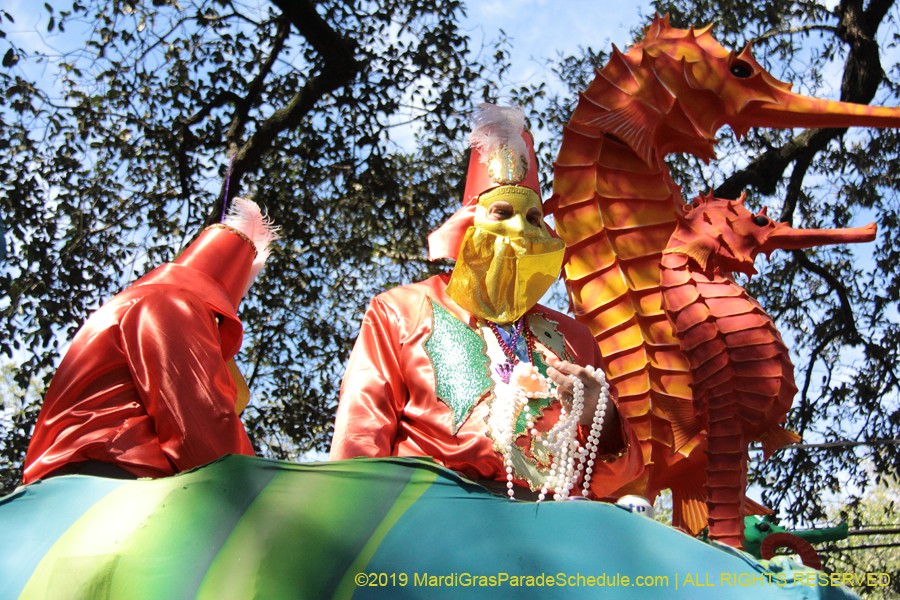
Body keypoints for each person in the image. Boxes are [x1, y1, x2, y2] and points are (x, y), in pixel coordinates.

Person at [330, 105, 644, 499]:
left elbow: (618, 484)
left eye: (534, 218)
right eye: (502, 212)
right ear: (470, 221)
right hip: (435, 515)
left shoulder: (576, 339)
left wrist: (603, 416)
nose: (520, 228)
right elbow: (360, 435)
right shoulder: (401, 310)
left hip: (555, 526)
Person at [22, 198, 275, 483]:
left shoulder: (132, 301)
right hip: (116, 473)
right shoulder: (175, 303)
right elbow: (202, 422)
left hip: (61, 478)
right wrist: (256, 494)